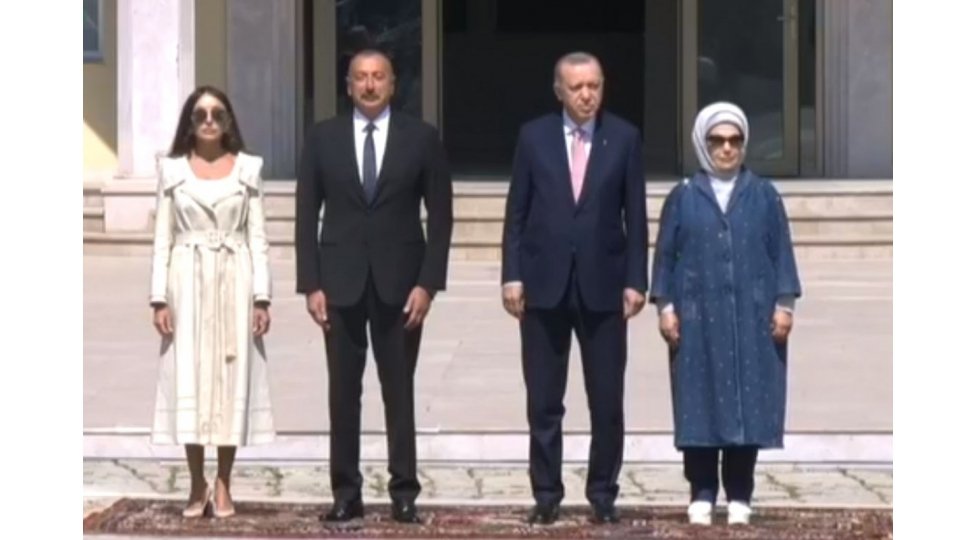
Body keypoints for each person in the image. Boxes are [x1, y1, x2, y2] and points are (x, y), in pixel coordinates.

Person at [294, 49, 453, 525]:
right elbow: (305, 215)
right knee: (342, 394)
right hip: (339, 283)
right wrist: (311, 283)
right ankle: (346, 492)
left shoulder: (421, 138)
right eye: (360, 77)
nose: (369, 85)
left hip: (401, 285)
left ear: (392, 83)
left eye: (378, 77)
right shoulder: (323, 138)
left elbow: (441, 217)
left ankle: (404, 491)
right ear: (348, 85)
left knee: (398, 391)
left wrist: (428, 283)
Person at [500, 51, 648, 525]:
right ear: (559, 90)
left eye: (594, 86)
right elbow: (517, 212)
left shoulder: (623, 138)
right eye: (577, 87)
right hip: (543, 286)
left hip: (604, 287)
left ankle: (603, 493)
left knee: (606, 400)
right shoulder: (534, 137)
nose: (587, 95)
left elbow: (636, 217)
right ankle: (546, 493)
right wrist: (512, 274)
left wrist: (636, 280)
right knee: (544, 400)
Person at [649, 102, 802, 526]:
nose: (727, 149)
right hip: (698, 318)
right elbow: (665, 257)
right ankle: (701, 491)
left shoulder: (764, 195)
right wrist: (665, 307)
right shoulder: (684, 196)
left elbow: (781, 252)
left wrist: (784, 305)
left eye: (735, 140)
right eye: (717, 140)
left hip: (752, 317)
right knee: (698, 402)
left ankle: (740, 493)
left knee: (747, 402)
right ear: (703, 143)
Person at [149, 85, 276, 519]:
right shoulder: (172, 172)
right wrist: (158, 298)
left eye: (217, 114)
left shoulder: (248, 170)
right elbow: (162, 238)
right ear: (190, 121)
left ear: (228, 121)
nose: (208, 121)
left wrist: (262, 297)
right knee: (189, 375)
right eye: (200, 114)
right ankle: (195, 481)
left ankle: (223, 481)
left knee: (229, 378)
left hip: (234, 278)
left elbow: (258, 237)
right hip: (186, 279)